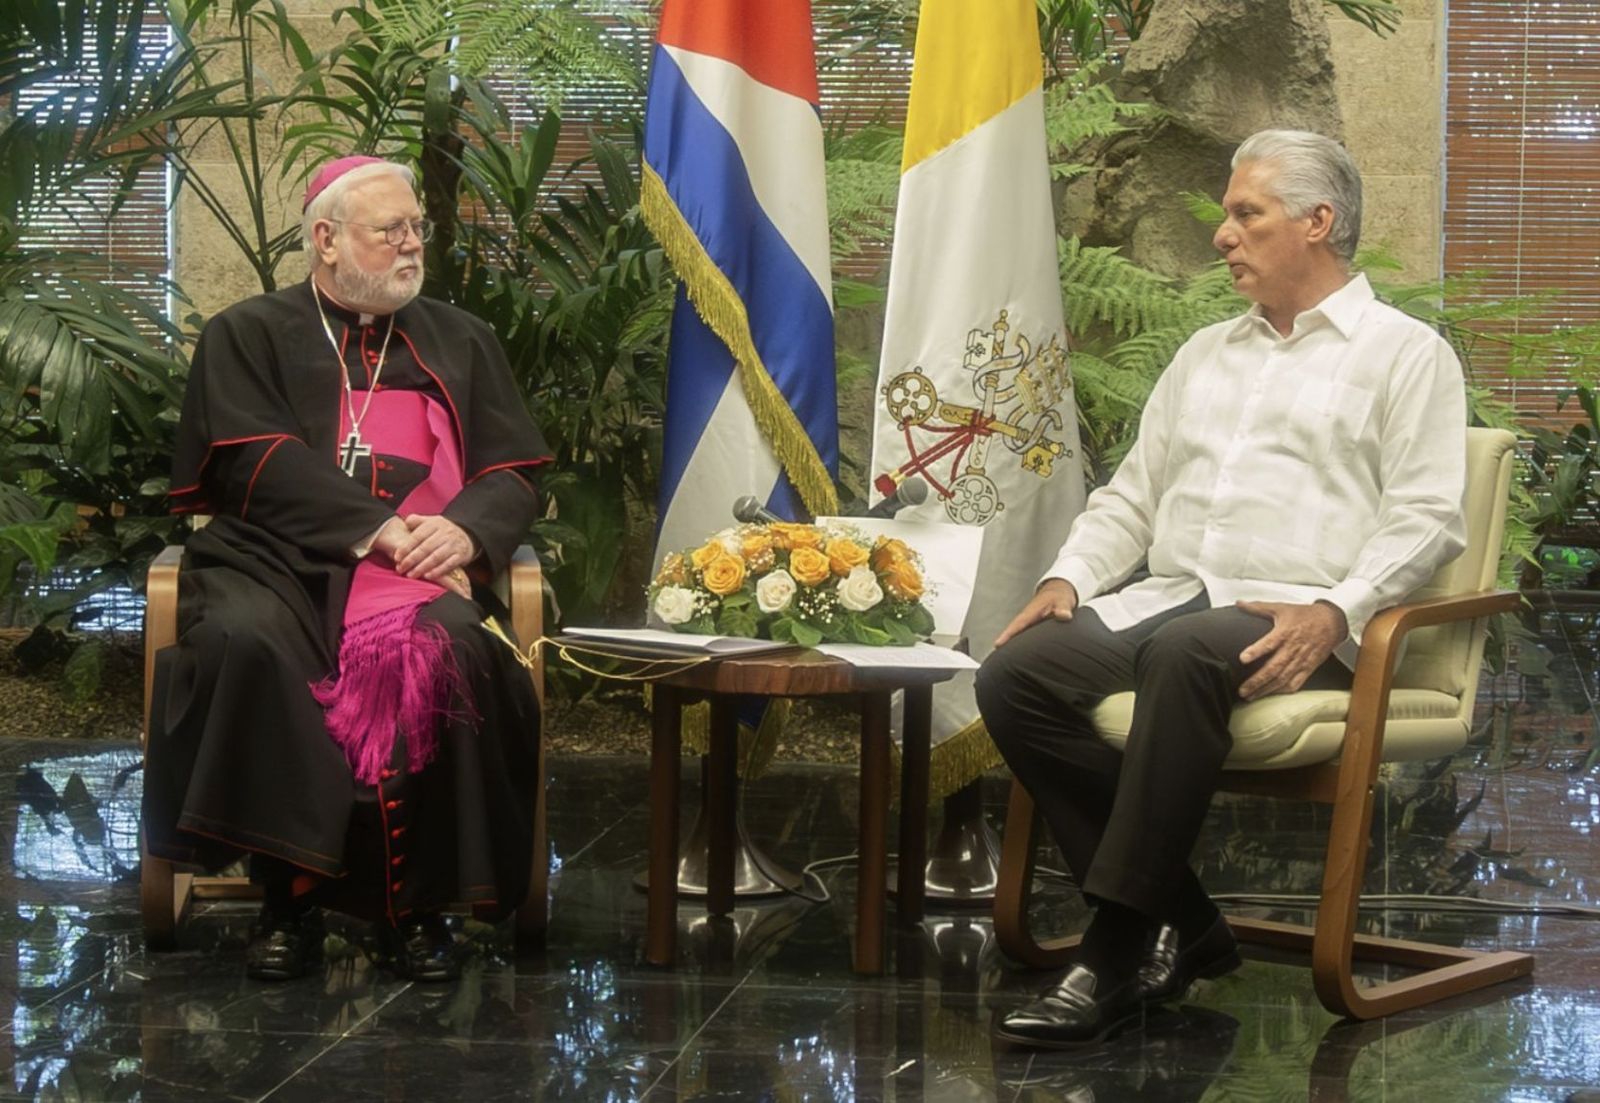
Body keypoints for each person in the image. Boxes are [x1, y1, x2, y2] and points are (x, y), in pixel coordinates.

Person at [976, 130, 1468, 1048]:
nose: (1222, 235)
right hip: (1176, 599)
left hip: (1300, 620)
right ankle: (1188, 921)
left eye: (1248, 214)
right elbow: (1132, 494)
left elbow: (1430, 517)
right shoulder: (1205, 353)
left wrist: (1338, 608)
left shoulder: (1407, 356)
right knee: (1016, 672)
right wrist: (1068, 578)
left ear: (1319, 223)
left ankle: (1116, 949)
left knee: (1182, 652)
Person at [144, 156, 552, 983]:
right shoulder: (249, 332)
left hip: (424, 573)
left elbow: (514, 470)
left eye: (416, 230)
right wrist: (379, 531)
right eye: (389, 230)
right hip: (274, 561)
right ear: (325, 240)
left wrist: (466, 535)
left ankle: (419, 907)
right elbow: (252, 459)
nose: (411, 245)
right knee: (247, 641)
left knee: (454, 651)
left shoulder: (461, 339)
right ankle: (285, 894)